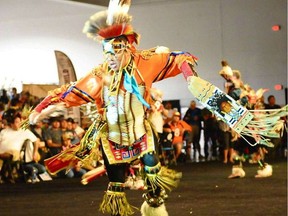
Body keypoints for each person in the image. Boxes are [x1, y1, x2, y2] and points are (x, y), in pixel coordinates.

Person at [25, 2, 286, 215]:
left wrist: (189, 76)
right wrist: (40, 109)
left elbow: (179, 57)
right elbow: (67, 94)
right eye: (108, 53)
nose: (112, 58)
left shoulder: (144, 62)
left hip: (142, 135)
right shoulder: (98, 76)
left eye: (117, 51)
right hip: (112, 139)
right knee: (116, 189)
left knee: (154, 182)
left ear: (129, 47)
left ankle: (154, 205)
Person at [0, 109, 46, 183]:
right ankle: (5, 175)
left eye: (19, 122)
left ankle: (11, 173)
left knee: (12, 153)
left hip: (15, 154)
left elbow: (36, 141)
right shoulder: (4, 131)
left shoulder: (25, 131)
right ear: (11, 124)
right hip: (2, 153)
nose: (19, 124)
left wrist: (35, 152)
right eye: (16, 122)